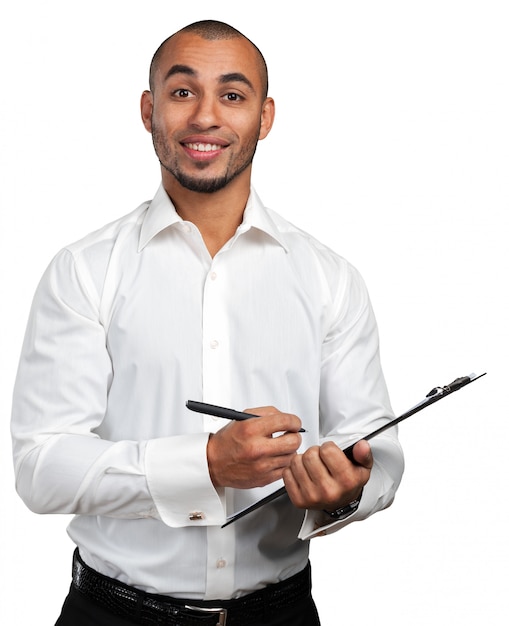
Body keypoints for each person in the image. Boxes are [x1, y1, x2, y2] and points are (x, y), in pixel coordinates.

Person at [11, 19, 404, 626]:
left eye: (232, 94)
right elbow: (41, 468)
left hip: (282, 615)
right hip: (111, 615)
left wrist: (346, 491)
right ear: (149, 110)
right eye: (182, 91)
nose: (205, 118)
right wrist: (205, 465)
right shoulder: (84, 271)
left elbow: (378, 452)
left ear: (264, 118)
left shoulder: (330, 278)